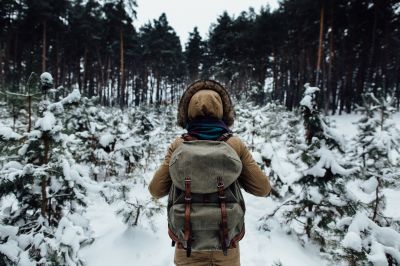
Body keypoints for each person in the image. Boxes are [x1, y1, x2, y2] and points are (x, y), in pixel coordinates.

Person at [149, 80, 271, 266]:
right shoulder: (234, 144)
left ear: (188, 111)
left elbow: (156, 190)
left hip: (187, 243)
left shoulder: (178, 145)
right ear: (222, 110)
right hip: (226, 243)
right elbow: (262, 188)